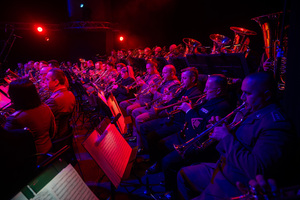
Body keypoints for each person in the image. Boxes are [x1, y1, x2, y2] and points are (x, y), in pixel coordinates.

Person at [177, 72, 295, 200]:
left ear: (267, 95)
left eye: (248, 93)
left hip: (237, 181)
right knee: (183, 175)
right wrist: (224, 126)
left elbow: (257, 169)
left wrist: (226, 137)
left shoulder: (275, 125)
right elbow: (241, 139)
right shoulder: (250, 110)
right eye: (242, 92)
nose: (243, 97)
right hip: (223, 166)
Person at [4, 78, 56, 162]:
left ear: (16, 97)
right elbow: (53, 131)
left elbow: (5, 144)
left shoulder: (15, 118)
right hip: (48, 150)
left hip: (32, 158)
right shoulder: (45, 107)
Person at [45, 68, 75, 141]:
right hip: (65, 133)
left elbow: (43, 121)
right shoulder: (70, 94)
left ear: (56, 82)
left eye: (47, 80)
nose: (45, 82)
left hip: (55, 136)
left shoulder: (54, 100)